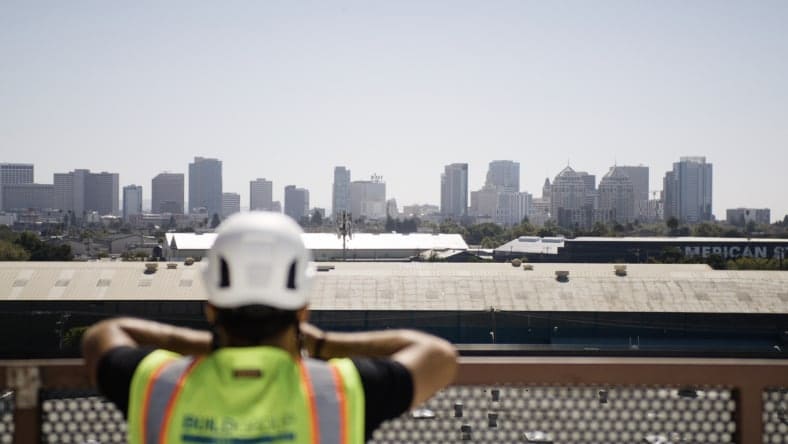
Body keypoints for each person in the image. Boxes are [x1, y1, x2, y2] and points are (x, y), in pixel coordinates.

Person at [82, 212, 458, 444]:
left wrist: (207, 344)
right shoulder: (342, 389)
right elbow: (438, 356)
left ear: (212, 308)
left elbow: (103, 335)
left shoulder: (156, 384)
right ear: (304, 310)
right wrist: (323, 344)